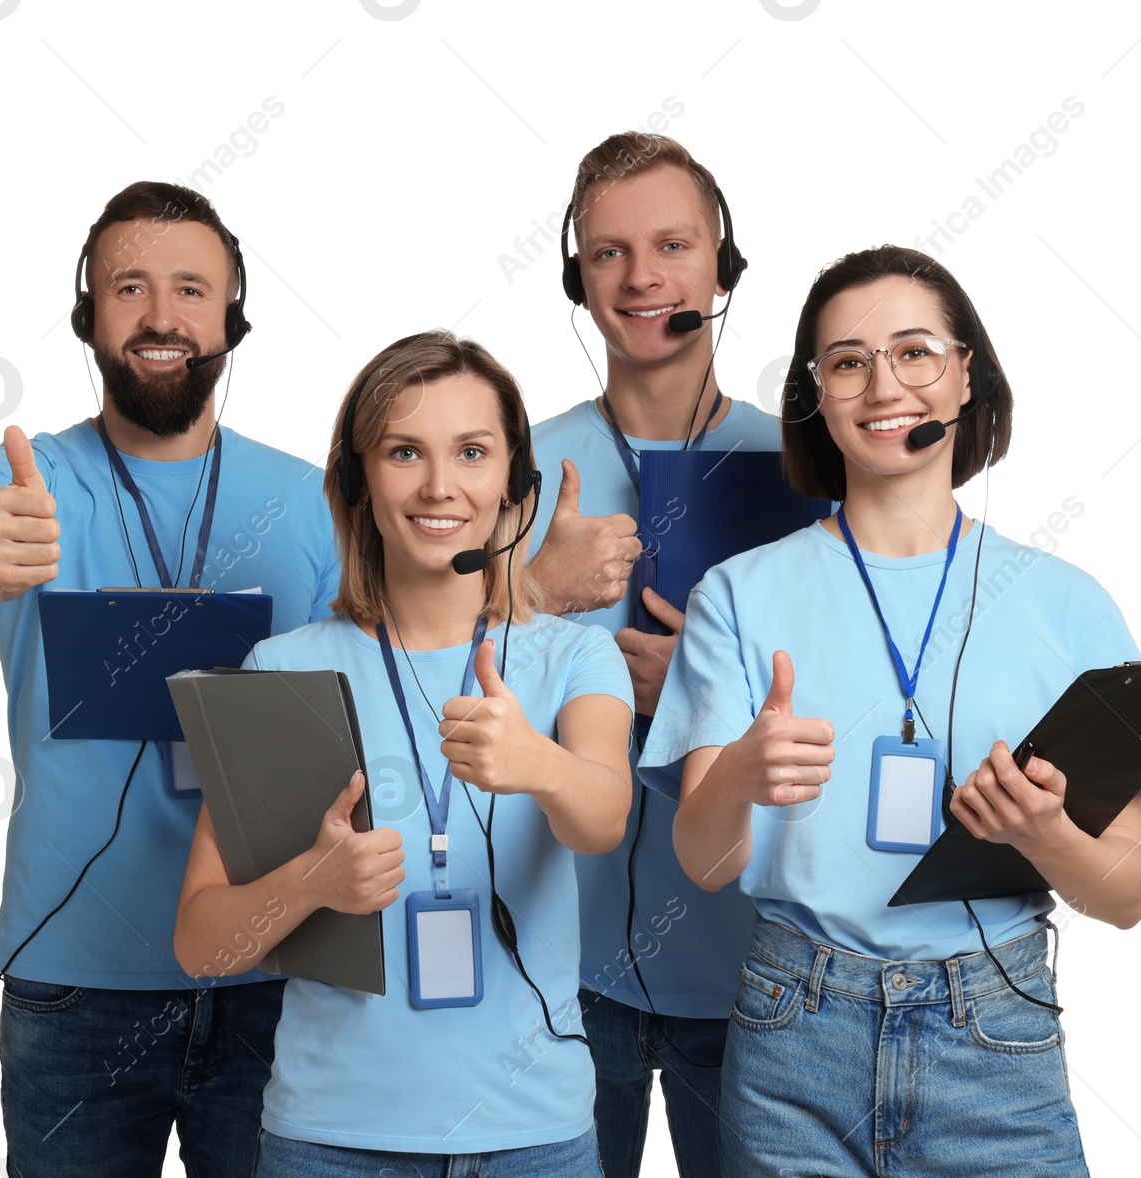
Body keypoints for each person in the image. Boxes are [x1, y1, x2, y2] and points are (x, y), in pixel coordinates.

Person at [641, 245, 1141, 1177]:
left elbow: (1129, 894)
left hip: (996, 1035)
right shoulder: (738, 596)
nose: (884, 385)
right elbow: (705, 861)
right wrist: (738, 773)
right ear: (817, 395)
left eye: (915, 351)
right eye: (848, 362)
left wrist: (1044, 834)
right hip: (794, 1035)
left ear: (965, 372)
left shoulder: (1068, 602)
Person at [0, 181, 338, 1177]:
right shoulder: (19, 481)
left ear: (230, 320)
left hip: (271, 970)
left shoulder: (312, 499)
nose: (161, 315)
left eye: (190, 290)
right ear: (88, 315)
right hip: (72, 982)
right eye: (130, 287)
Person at [174, 329, 635, 1176]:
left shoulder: (576, 657)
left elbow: (604, 816)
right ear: (356, 481)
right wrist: (310, 883)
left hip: (533, 1140)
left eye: (471, 452)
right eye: (403, 452)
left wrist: (540, 764)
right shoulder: (284, 670)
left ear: (512, 483)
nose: (438, 485)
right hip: (333, 1143)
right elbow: (202, 943)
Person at [527, 132, 780, 1177]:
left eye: (672, 244)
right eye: (608, 253)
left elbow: (861, 707)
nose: (642, 278)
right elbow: (409, 677)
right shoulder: (509, 468)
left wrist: (700, 697)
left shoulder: (806, 470)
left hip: (756, 980)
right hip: (551, 974)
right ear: (576, 278)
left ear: (723, 266)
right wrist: (530, 590)